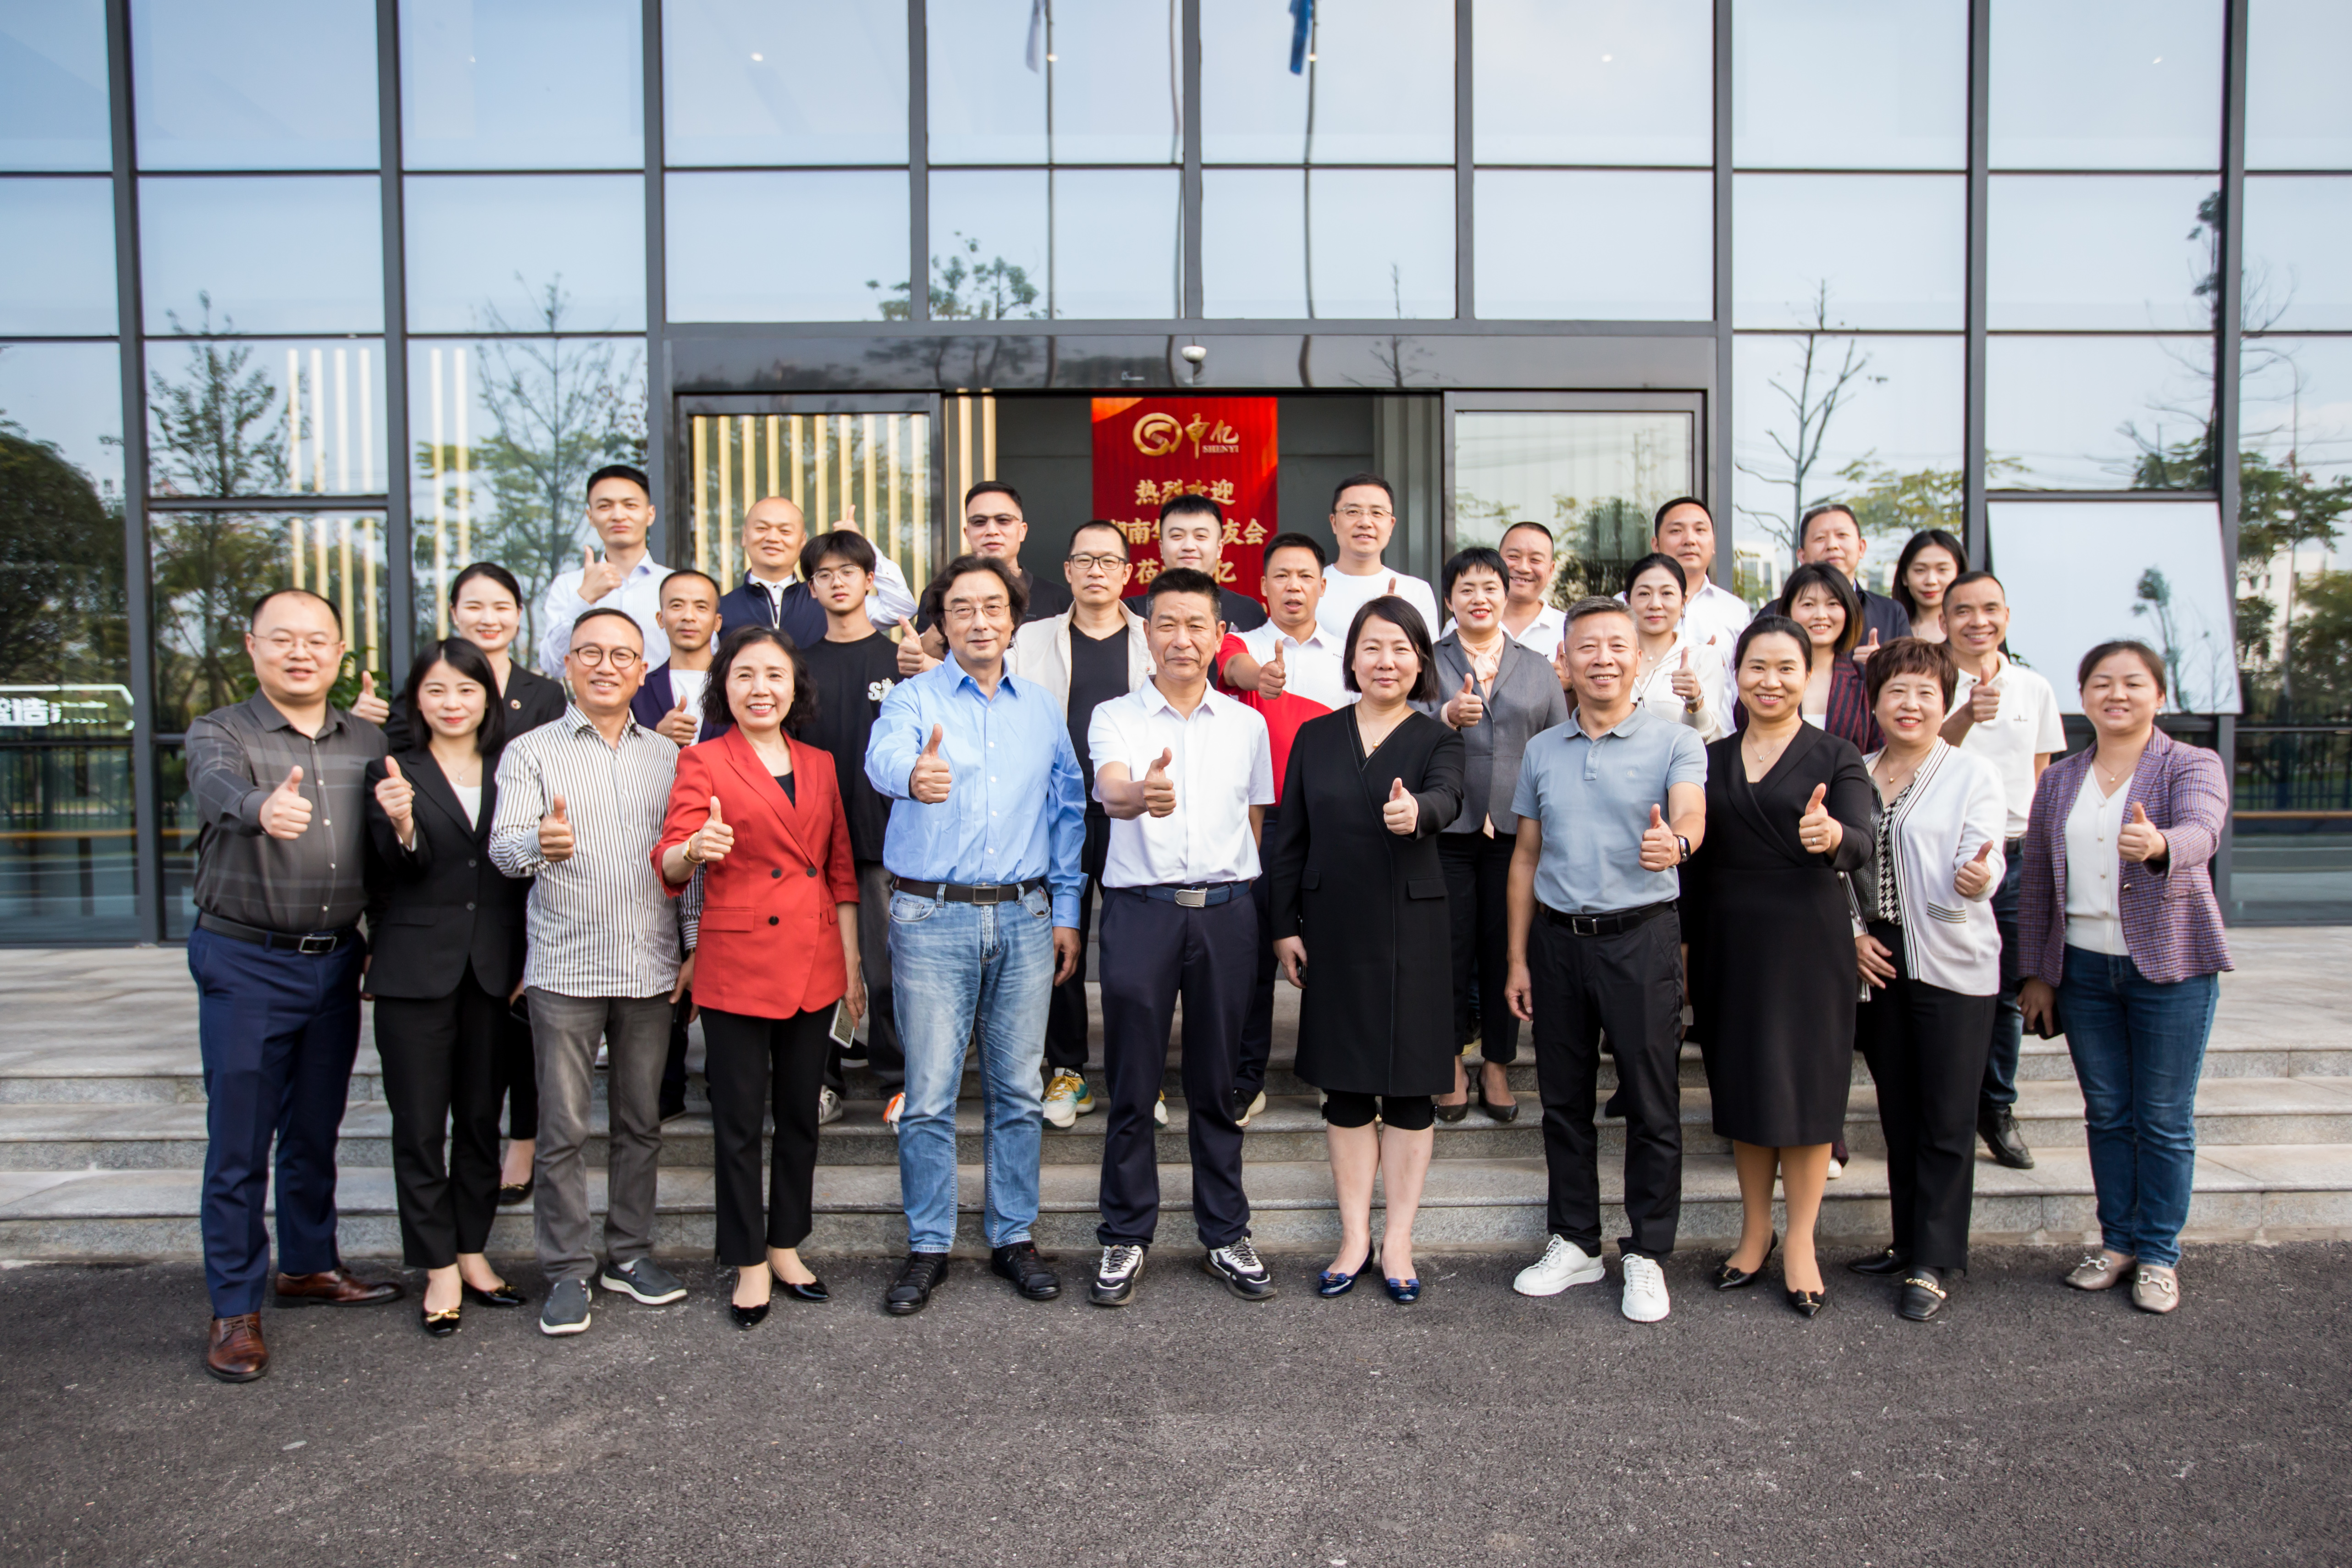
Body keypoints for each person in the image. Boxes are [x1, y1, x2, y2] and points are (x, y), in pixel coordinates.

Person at [184, 589, 404, 1382]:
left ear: (340, 655)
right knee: (239, 1143)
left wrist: (379, 939)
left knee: (314, 1127)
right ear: (253, 647)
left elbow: (381, 849)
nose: (300, 653)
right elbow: (215, 786)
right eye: (283, 640)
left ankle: (308, 1264)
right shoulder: (221, 732)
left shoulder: (368, 739)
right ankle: (233, 1308)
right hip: (246, 959)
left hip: (336, 960)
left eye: (317, 641)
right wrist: (257, 807)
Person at [864, 555, 1085, 1316]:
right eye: (962, 608)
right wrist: (912, 777)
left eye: (993, 606)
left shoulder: (1041, 709)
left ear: (1013, 619)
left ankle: (1012, 1236)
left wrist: (1066, 911)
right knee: (928, 1094)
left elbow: (1068, 811)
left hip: (1025, 916)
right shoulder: (912, 699)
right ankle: (928, 1244)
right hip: (932, 917)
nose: (980, 620)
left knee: (1017, 1091)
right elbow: (884, 757)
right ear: (943, 621)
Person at [1501, 598, 1706, 1324]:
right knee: (1563, 1101)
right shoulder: (1542, 750)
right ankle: (1575, 1241)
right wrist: (1517, 958)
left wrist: (1675, 844)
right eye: (1586, 647)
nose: (1602, 659)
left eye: (1617, 646)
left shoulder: (1675, 741)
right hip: (1557, 942)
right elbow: (1524, 858)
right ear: (1564, 661)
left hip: (1640, 939)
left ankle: (1646, 1252)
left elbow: (1691, 814)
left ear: (1637, 658)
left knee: (1651, 1102)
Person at [655, 626, 863, 1328]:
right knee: (739, 1123)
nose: (760, 689)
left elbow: (839, 870)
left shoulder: (820, 763)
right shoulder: (702, 761)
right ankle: (747, 1260)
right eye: (744, 675)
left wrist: (852, 964)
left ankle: (785, 1245)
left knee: (800, 1117)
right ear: (724, 686)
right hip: (738, 964)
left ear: (794, 687)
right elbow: (668, 861)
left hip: (815, 961)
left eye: (774, 675)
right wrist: (694, 848)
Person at [489, 606, 688, 1336]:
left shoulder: (668, 757)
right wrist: (538, 844)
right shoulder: (531, 752)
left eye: (622, 655)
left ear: (643, 670)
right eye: (591, 653)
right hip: (564, 968)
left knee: (640, 1123)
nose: (607, 667)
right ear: (568, 665)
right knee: (563, 1129)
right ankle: (567, 1270)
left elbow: (691, 865)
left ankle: (628, 1255)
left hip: (649, 967)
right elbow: (503, 850)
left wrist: (694, 948)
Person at [1084, 567, 1279, 1307]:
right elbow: (1111, 789)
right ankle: (1124, 1235)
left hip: (1227, 913)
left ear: (1219, 634)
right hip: (1142, 912)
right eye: (1166, 623)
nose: (1181, 639)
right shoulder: (1116, 716)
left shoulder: (1247, 724)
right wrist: (1142, 795)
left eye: (1197, 624)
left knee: (1217, 1086)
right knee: (1133, 1084)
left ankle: (1225, 1233)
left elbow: (1253, 820)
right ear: (1147, 632)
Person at [2019, 640, 2231, 1316]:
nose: (2117, 694)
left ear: (2158, 696)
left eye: (2133, 683)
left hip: (2168, 966)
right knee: (2107, 1113)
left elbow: (2203, 831)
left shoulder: (2191, 763)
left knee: (2162, 1119)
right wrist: (2037, 973)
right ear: (2082, 697)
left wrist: (2162, 844)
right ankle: (2116, 1244)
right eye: (2101, 683)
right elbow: (2037, 884)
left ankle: (2159, 1255)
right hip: (2082, 970)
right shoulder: (2059, 780)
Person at [1264, 596, 1464, 1304]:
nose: (1386, 661)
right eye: (1372, 647)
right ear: (1350, 658)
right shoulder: (1316, 736)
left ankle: (1398, 1239)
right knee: (1346, 1089)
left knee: (1410, 1090)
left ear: (1421, 662)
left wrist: (1417, 813)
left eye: (1401, 649)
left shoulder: (1437, 739)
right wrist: (1283, 925)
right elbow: (1289, 837)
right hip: (1332, 928)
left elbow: (1448, 799)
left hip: (1413, 932)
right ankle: (1353, 1237)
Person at [1684, 615, 1876, 1319]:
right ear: (1736, 675)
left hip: (1808, 946)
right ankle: (1753, 1233)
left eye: (1785, 668)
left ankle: (1800, 1242)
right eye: (1756, 667)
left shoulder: (1836, 754)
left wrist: (1831, 835)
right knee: (1743, 1091)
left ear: (1807, 675)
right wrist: (1684, 948)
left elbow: (1861, 840)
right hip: (1728, 944)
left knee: (1805, 1094)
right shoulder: (1707, 757)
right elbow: (1693, 864)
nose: (1770, 681)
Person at [363, 638, 530, 1336]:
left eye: (466, 690)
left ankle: (472, 1251)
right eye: (436, 690)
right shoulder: (391, 770)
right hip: (414, 973)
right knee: (420, 1126)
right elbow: (387, 872)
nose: (452, 703)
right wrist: (402, 823)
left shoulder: (514, 766)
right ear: (416, 701)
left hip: (494, 969)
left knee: (481, 1123)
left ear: (487, 699)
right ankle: (436, 1265)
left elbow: (521, 871)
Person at [388, 561, 568, 1204]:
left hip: (522, 888)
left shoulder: (544, 694)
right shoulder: (421, 702)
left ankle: (522, 1141)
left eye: (501, 606)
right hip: (439, 904)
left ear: (520, 616)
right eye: (474, 606)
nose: (488, 618)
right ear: (454, 613)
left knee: (516, 1036)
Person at [1849, 638, 2007, 1322]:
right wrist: (1851, 936)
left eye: (1925, 693)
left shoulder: (1971, 774)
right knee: (1899, 1110)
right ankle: (1907, 1239)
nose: (1910, 705)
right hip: (1877, 958)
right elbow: (1837, 869)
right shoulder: (1856, 772)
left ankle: (1934, 1261)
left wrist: (1980, 876)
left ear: (1945, 703)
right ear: (1874, 702)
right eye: (1897, 691)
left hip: (1950, 957)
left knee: (1945, 1114)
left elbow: (1986, 853)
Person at [1006, 520, 1154, 1130]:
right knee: (1057, 940)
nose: (1096, 571)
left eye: (1108, 561)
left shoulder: (1151, 636)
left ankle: (1137, 1074)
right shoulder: (1030, 638)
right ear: (1066, 571)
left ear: (1127, 573)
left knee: (1132, 948)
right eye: (1084, 560)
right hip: (1053, 811)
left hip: (1131, 811)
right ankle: (1067, 1068)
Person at [1420, 547, 1567, 1124]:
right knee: (1449, 950)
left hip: (1516, 831)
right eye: (1466, 589)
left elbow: (1557, 744)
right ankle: (1451, 1062)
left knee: (1509, 949)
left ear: (1507, 595)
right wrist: (1443, 717)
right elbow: (1402, 725)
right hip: (1447, 827)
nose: (1479, 599)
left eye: (1490, 588)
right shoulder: (1427, 659)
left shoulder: (1537, 667)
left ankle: (1499, 1063)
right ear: (1449, 599)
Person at [1217, 533, 1353, 1126]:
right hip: (1259, 824)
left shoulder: (1350, 653)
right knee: (1252, 958)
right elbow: (1233, 667)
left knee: (1333, 952)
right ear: (1263, 586)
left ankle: (1337, 1075)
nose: (1293, 587)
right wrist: (1260, 679)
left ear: (1322, 586)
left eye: (1304, 576)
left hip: (1332, 824)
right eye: (1281, 576)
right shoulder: (1241, 643)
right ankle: (1245, 1078)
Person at [1939, 571, 2065, 1170]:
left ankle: (1996, 1106)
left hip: (2015, 856)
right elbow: (1920, 754)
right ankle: (1948, 1104)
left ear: (2007, 617)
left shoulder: (2034, 688)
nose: (1977, 621)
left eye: (1989, 609)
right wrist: (1965, 713)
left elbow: (2041, 778)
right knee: (1945, 984)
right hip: (1945, 855)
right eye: (1963, 611)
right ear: (1944, 621)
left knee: (2008, 991)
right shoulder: (1929, 681)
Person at [794, 529, 909, 1117]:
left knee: (887, 969)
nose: (837, 582)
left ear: (870, 581)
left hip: (884, 838)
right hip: (809, 843)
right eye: (824, 575)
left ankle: (897, 1080)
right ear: (811, 589)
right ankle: (823, 1080)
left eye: (848, 572)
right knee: (817, 968)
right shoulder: (796, 665)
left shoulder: (901, 660)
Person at [900, 482, 1074, 674]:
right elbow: (923, 659)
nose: (991, 531)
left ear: (1022, 531)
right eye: (979, 522)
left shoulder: (1058, 600)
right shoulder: (942, 592)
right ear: (967, 534)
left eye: (1003, 520)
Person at [715, 495, 916, 648]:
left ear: (803, 541)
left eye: (785, 531)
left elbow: (901, 608)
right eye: (762, 529)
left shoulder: (831, 596)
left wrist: (860, 547)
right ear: (745, 536)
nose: (773, 538)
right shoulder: (719, 610)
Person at [537, 464, 672, 673]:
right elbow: (553, 666)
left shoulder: (674, 586)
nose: (618, 515)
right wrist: (584, 599)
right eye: (605, 506)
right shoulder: (569, 586)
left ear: (650, 514)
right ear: (590, 516)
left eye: (630, 505)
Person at [1311, 473, 1441, 645]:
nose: (1365, 522)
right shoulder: (1310, 588)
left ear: (1391, 525)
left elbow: (1428, 657)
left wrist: (1401, 618)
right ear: (1334, 522)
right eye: (1353, 512)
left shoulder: (1417, 592)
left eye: (1377, 513)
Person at [1769, 562, 1882, 756]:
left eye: (1832, 604)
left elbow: (1881, 752)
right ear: (1788, 611)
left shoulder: (1867, 680)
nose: (1821, 615)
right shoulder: (1766, 679)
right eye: (1808, 605)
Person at [1623, 552, 1728, 742]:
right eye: (1644, 594)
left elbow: (1708, 737)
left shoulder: (1702, 657)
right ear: (1627, 600)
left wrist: (1694, 700)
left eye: (1667, 594)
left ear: (1683, 601)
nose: (1655, 604)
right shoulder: (1612, 658)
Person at [1137, 492, 1267, 630]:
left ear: (1219, 548)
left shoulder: (1248, 612)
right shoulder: (1134, 612)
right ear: (1161, 548)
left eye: (1200, 536)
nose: (1189, 546)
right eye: (1177, 536)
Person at [1647, 497, 1753, 664]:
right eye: (1676, 531)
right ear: (1656, 545)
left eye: (1700, 530)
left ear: (1713, 544)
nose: (1690, 540)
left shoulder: (1736, 612)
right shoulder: (1625, 606)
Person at [632, 569, 728, 746]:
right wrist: (656, 737)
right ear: (660, 618)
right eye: (677, 606)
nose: (688, 617)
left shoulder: (737, 685)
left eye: (701, 607)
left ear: (717, 622)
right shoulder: (637, 691)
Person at [1797, 503, 1911, 651]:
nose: (1832, 545)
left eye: (1842, 535)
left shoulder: (1891, 613)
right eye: (1820, 538)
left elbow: (1910, 664)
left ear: (1861, 548)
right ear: (1802, 556)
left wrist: (1881, 661)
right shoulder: (1777, 612)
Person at [1892, 529, 1966, 644]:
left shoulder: (1972, 630)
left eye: (1942, 569)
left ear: (1959, 574)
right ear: (1904, 577)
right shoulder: (1888, 630)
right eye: (1920, 570)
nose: (1931, 581)